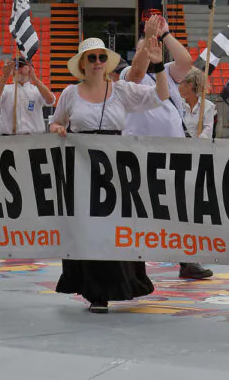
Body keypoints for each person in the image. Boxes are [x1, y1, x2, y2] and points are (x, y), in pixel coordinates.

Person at [48, 36, 167, 313]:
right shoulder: (69, 93)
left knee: (115, 229)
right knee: (88, 229)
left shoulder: (122, 90)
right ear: (82, 63)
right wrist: (57, 130)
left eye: (102, 57)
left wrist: (159, 66)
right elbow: (56, 121)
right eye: (92, 58)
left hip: (116, 170)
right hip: (82, 169)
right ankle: (95, 292)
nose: (98, 63)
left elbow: (160, 96)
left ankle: (121, 284)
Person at [119, 15, 211, 280]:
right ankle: (134, 264)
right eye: (146, 44)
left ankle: (188, 259)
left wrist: (166, 34)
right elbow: (137, 69)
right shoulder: (128, 77)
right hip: (140, 152)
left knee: (181, 207)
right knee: (140, 208)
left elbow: (186, 62)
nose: (152, 47)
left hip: (173, 151)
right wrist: (149, 40)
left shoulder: (167, 73)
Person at [0, 54, 55, 135]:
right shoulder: (5, 89)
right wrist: (4, 77)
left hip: (34, 140)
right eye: (15, 67)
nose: (17, 69)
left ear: (29, 69)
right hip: (8, 140)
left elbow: (50, 100)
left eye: (20, 66)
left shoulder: (37, 90)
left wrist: (34, 79)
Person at [177, 69, 215, 139]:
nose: (178, 87)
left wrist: (197, 144)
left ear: (189, 85)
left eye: (180, 83)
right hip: (179, 146)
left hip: (198, 147)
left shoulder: (208, 106)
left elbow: (208, 132)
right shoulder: (177, 104)